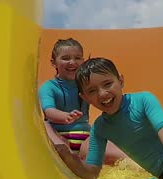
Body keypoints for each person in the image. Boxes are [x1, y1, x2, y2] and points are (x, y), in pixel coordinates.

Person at [54, 57, 163, 179]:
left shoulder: (143, 100)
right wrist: (70, 158)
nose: (103, 93)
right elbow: (92, 173)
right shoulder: (100, 128)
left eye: (108, 84)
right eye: (92, 91)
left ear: (120, 81)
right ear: (85, 98)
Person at [38, 39, 126, 169]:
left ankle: (135, 163)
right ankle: (64, 152)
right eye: (65, 58)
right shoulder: (49, 87)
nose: (72, 62)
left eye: (78, 58)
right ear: (53, 62)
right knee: (44, 125)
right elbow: (49, 111)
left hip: (85, 137)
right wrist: (65, 116)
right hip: (60, 136)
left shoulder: (87, 85)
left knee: (102, 142)